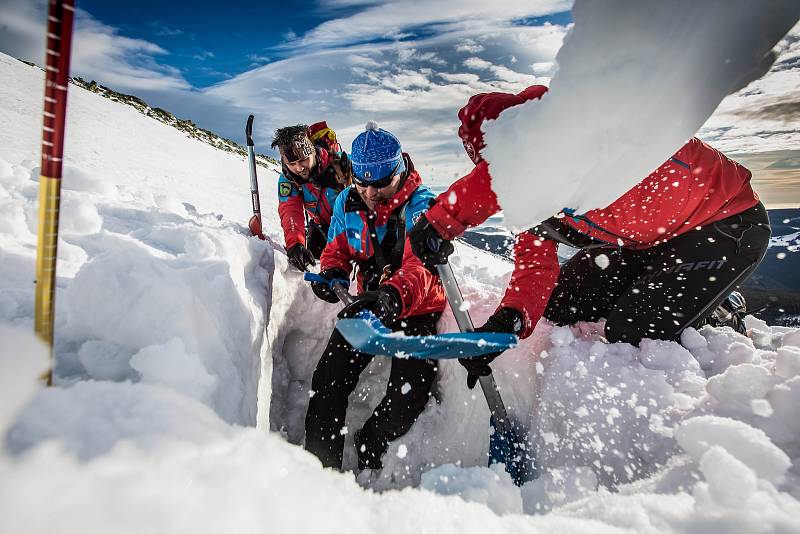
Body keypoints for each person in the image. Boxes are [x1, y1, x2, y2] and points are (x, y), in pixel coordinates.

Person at [408, 85, 771, 388]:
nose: (504, 178)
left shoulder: (584, 130)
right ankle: (670, 287)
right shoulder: (530, 192)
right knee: (561, 303)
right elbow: (535, 268)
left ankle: (720, 309)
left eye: (502, 163)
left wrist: (443, 220)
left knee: (634, 330)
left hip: (725, 224)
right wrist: (507, 324)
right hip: (646, 241)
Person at [304, 122, 445, 474]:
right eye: (362, 182)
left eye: (380, 183)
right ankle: (318, 477)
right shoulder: (350, 202)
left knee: (406, 398)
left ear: (399, 171)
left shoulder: (422, 208)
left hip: (414, 308)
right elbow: (338, 247)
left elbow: (423, 270)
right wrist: (332, 272)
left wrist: (393, 295)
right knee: (327, 382)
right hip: (371, 304)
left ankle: (372, 440)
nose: (370, 192)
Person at [273, 121, 351, 271]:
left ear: (313, 152)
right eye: (292, 163)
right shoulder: (289, 180)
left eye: (303, 159)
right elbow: (290, 210)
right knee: (315, 267)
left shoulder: (340, 164)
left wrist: (349, 181)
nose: (299, 167)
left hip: (352, 227)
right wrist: (295, 244)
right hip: (321, 228)